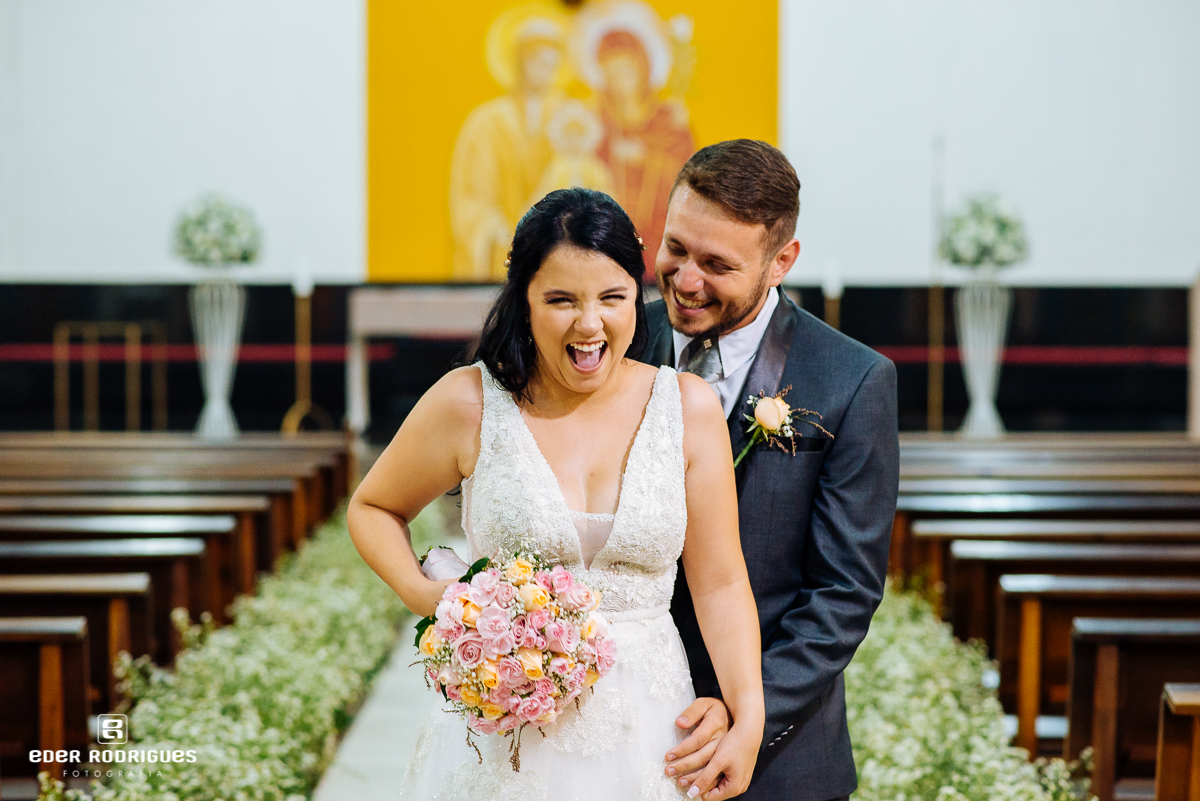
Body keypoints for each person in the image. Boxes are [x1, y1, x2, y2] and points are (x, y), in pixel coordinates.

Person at [348, 187, 765, 800]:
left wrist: (747, 715)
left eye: (613, 299)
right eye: (561, 300)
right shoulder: (469, 401)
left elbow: (721, 582)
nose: (589, 323)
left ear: (638, 296)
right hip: (507, 735)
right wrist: (426, 595)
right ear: (523, 302)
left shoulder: (686, 408)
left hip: (651, 727)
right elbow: (374, 507)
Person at [642, 140, 899, 801]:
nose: (686, 278)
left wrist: (742, 709)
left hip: (778, 763)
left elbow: (841, 595)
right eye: (676, 248)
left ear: (781, 260)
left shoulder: (851, 379)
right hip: (624, 731)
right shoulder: (613, 347)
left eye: (717, 264)